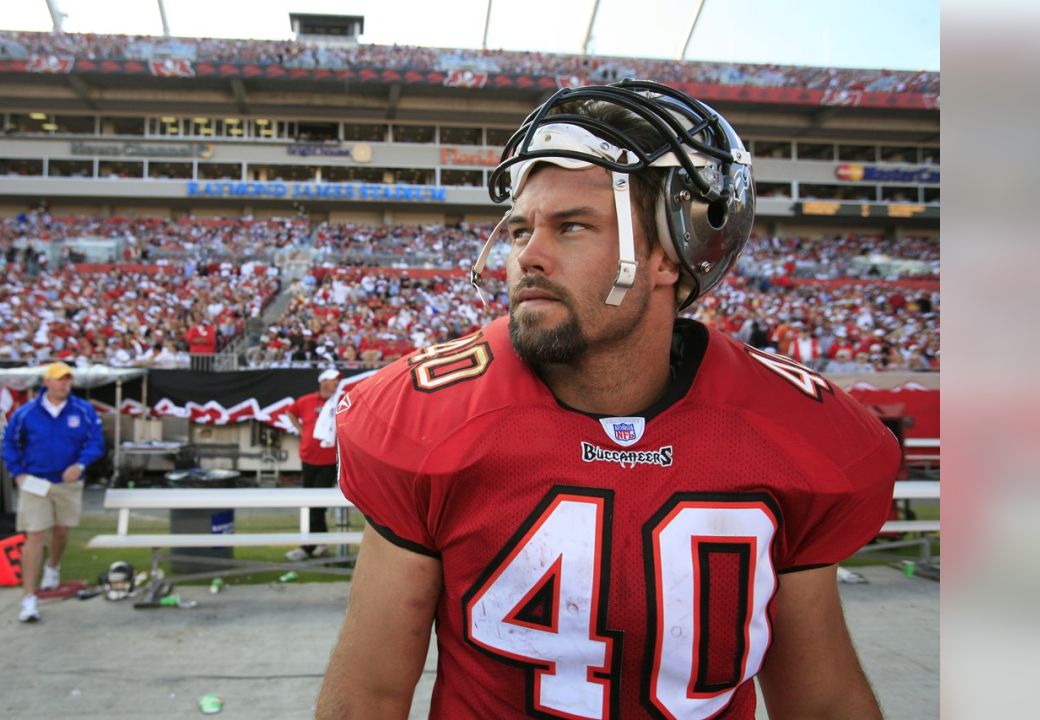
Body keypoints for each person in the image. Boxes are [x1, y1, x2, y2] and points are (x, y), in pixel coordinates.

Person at [318, 80, 900, 719]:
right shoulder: (430, 416)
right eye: (518, 230)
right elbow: (368, 696)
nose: (526, 258)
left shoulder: (789, 431)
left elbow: (822, 700)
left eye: (571, 227)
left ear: (670, 255)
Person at [2, 361, 105, 623]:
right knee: (35, 534)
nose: (65, 384)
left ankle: (53, 567)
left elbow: (95, 441)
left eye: (68, 379)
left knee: (60, 531)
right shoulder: (26, 413)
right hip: (35, 481)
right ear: (46, 382)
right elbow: (10, 444)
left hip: (67, 482)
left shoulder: (83, 410)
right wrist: (18, 472)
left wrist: (81, 464)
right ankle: (29, 598)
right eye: (60, 379)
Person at [282, 367, 343, 562]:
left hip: (328, 460)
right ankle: (320, 543)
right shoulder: (306, 400)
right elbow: (291, 412)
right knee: (310, 505)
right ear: (323, 381)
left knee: (317, 506)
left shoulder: (339, 401)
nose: (336, 383)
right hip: (308, 457)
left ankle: (309, 546)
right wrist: (301, 431)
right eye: (334, 380)